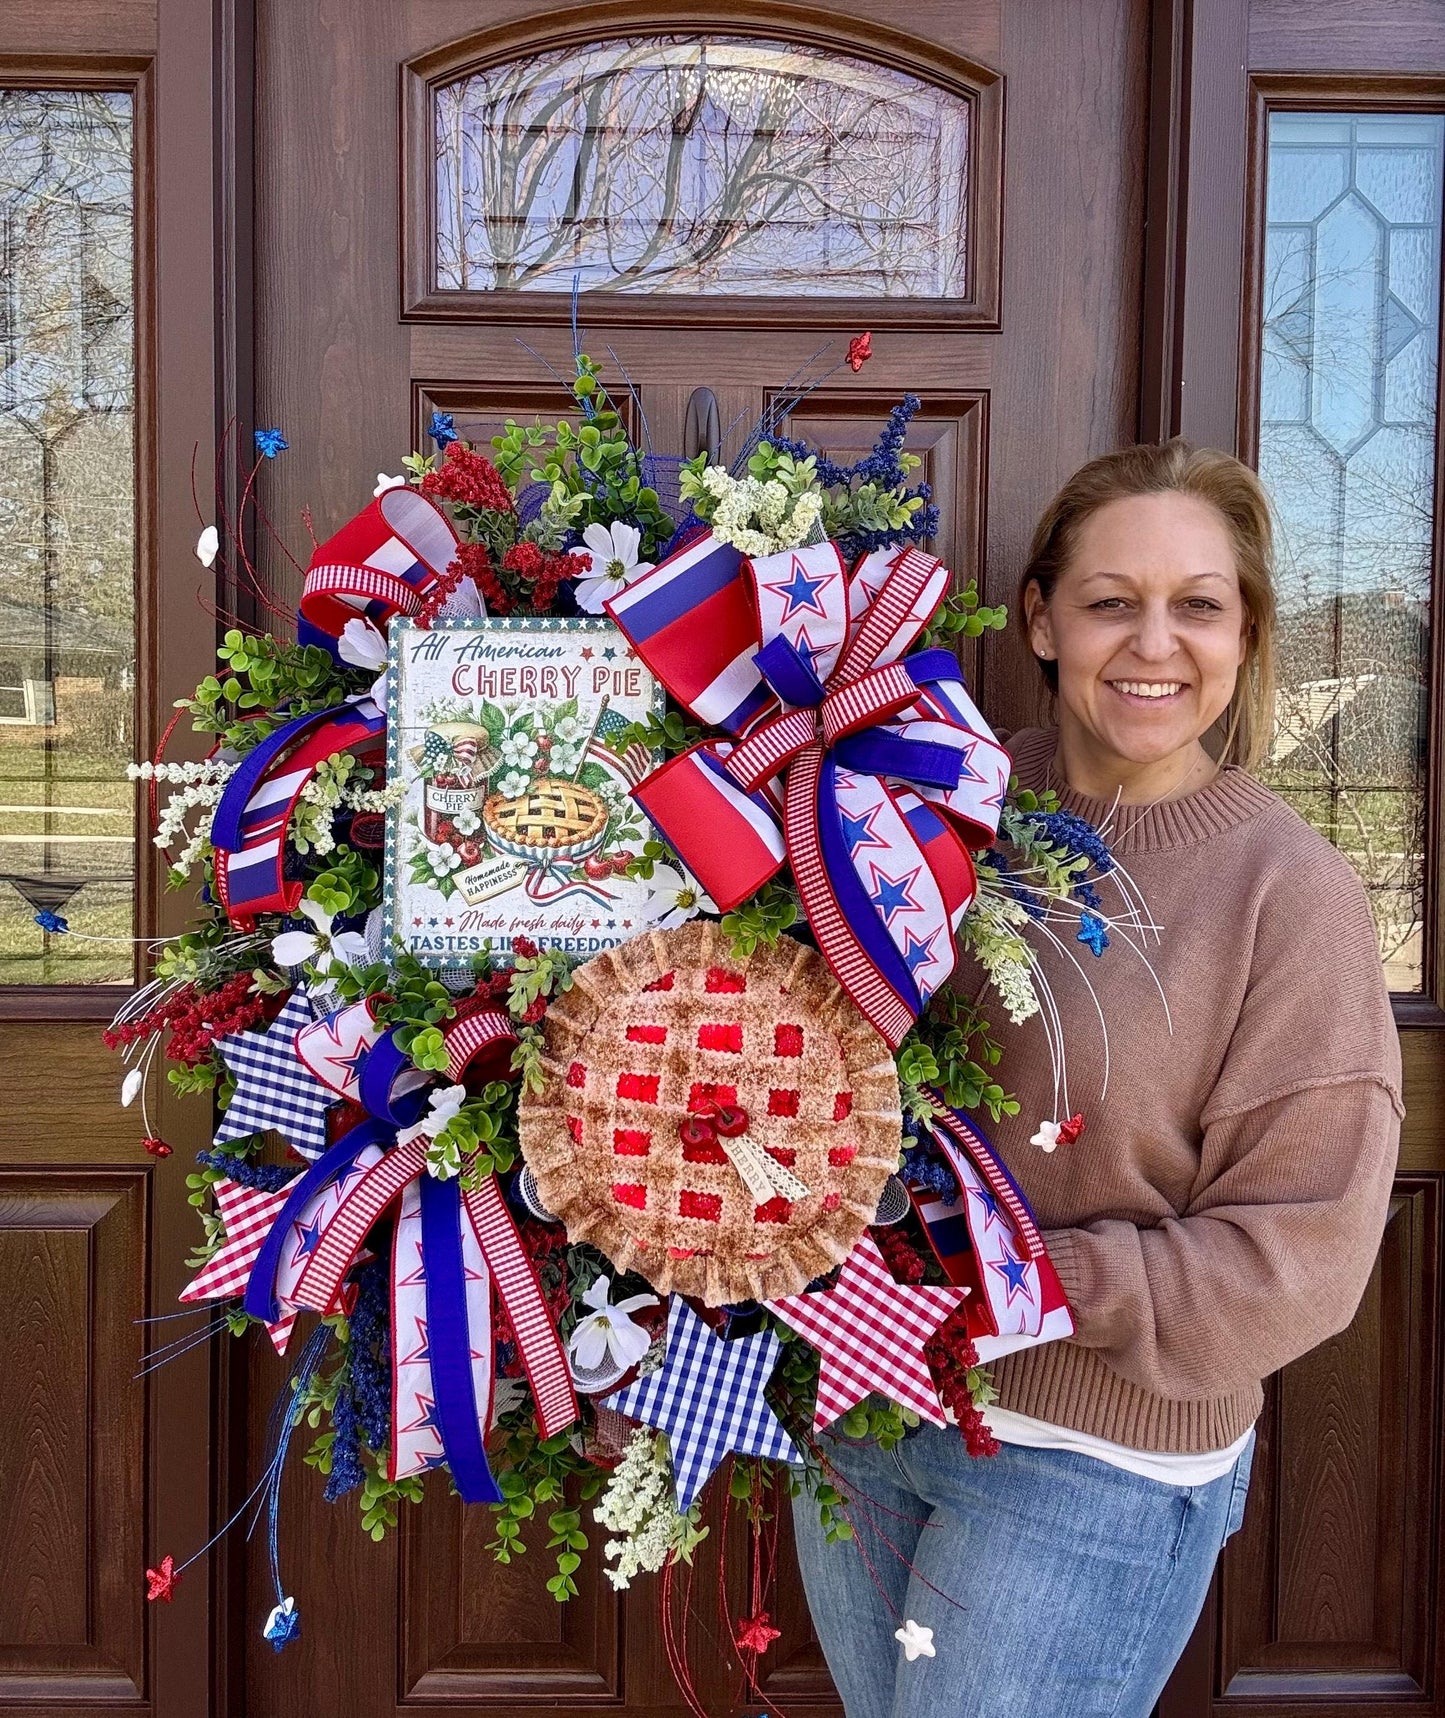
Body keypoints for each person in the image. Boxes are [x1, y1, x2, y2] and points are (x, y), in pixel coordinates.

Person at [791, 439, 1403, 1718]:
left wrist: (1035, 1283)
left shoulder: (1285, 893)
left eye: (1197, 605)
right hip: (863, 1415)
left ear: (1244, 632)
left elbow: (1303, 1248)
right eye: (1110, 600)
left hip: (1090, 1461)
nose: (1153, 643)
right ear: (1041, 618)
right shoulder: (928, 801)